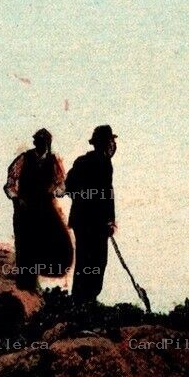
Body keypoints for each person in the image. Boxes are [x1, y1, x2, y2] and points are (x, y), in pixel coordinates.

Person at [3, 129, 73, 292]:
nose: (44, 145)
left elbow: (61, 185)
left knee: (50, 245)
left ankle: (34, 286)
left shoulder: (53, 161)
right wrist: (16, 198)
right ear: (36, 143)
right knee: (25, 247)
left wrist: (56, 190)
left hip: (44, 211)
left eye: (46, 142)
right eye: (40, 142)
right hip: (25, 211)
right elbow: (10, 183)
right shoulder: (24, 159)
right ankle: (24, 287)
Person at [65, 125, 118, 304]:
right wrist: (108, 219)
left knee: (86, 261)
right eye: (111, 141)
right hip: (94, 223)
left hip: (85, 221)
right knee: (96, 262)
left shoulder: (84, 161)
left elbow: (69, 187)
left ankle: (82, 300)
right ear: (105, 144)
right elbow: (106, 194)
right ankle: (86, 300)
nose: (113, 145)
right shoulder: (101, 163)